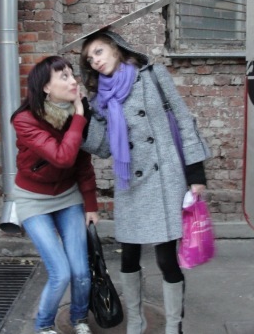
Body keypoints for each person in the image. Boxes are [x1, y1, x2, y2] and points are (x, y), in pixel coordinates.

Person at [75, 30, 211, 334]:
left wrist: (195, 173)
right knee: (128, 258)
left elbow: (183, 118)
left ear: (115, 47)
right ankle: (136, 323)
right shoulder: (99, 99)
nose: (95, 61)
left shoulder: (152, 76)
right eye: (89, 58)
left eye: (98, 51)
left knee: (166, 259)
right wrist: (83, 119)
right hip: (130, 184)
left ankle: (174, 326)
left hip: (164, 179)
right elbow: (104, 147)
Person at [10, 55, 100, 334]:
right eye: (64, 76)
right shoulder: (25, 120)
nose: (73, 81)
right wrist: (79, 118)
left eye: (72, 75)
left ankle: (79, 319)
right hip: (33, 199)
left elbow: (82, 163)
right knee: (60, 273)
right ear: (46, 87)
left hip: (67, 195)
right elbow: (62, 157)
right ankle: (44, 325)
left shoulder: (76, 115)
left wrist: (90, 204)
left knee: (81, 271)